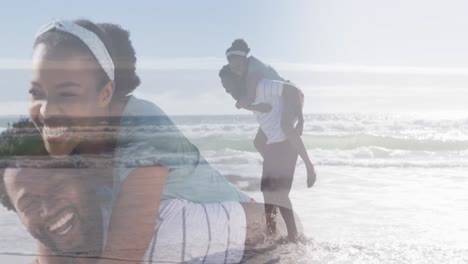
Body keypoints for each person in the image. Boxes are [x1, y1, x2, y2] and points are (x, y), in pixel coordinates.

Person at [28, 19, 251, 263]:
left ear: (105, 91)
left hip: (251, 230)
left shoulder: (143, 122)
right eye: (37, 93)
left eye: (67, 92)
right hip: (198, 236)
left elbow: (124, 253)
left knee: (151, 233)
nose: (47, 111)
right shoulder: (67, 137)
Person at [0, 123, 303, 264]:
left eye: (57, 187)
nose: (47, 207)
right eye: (28, 202)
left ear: (85, 179)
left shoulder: (162, 228)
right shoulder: (53, 247)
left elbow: (274, 221)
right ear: (15, 213)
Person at [219, 66, 310, 243]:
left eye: (227, 84)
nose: (226, 89)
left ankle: (293, 237)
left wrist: (301, 119)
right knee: (267, 185)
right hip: (276, 124)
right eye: (224, 86)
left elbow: (291, 90)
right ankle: (271, 233)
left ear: (238, 79)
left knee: (280, 192)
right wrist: (257, 106)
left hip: (294, 97)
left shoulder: (260, 85)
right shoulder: (242, 95)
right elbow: (247, 105)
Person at [225, 39, 317, 188]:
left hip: (292, 93)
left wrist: (301, 119)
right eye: (233, 68)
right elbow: (249, 102)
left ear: (244, 59)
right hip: (279, 98)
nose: (236, 70)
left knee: (286, 126)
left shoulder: (252, 70)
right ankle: (276, 167)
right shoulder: (245, 73)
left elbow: (249, 99)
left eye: (238, 66)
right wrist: (250, 106)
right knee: (258, 142)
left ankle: (309, 166)